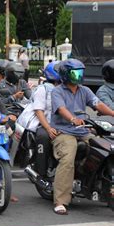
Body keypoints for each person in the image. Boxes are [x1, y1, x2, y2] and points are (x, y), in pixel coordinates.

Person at [50, 59, 114, 215]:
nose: (79, 76)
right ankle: (61, 200)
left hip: (84, 131)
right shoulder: (57, 91)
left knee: (104, 147)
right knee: (68, 158)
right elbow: (61, 109)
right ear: (66, 75)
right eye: (75, 73)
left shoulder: (84, 90)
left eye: (80, 72)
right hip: (64, 131)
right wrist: (73, 119)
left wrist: (113, 113)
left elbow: (97, 104)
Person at [17, 61, 61, 177]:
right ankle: (41, 172)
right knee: (44, 136)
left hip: (60, 123)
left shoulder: (65, 88)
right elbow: (38, 111)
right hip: (42, 123)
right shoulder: (43, 89)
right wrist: (48, 128)